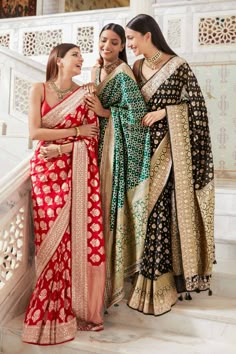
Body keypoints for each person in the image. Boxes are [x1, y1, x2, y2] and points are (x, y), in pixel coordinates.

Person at [125, 14, 215, 316]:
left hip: (171, 153)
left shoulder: (178, 67)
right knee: (143, 214)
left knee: (161, 213)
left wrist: (165, 113)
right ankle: (142, 276)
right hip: (141, 154)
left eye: (131, 38)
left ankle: (163, 281)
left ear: (147, 35)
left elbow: (197, 110)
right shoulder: (136, 69)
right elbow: (127, 104)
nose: (130, 45)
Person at [22, 43, 105, 345]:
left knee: (69, 243)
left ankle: (71, 306)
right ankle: (45, 305)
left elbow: (92, 138)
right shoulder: (38, 89)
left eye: (82, 57)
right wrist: (75, 133)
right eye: (75, 56)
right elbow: (34, 132)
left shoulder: (85, 95)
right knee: (49, 242)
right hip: (46, 175)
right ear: (59, 60)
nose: (81, 60)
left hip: (74, 172)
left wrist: (68, 145)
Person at [85, 23, 151, 309]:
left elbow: (137, 117)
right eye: (103, 41)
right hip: (92, 150)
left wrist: (105, 112)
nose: (107, 47)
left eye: (114, 42)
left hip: (113, 155)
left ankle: (106, 286)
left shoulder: (124, 75)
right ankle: (88, 282)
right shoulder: (95, 70)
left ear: (123, 45)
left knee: (107, 213)